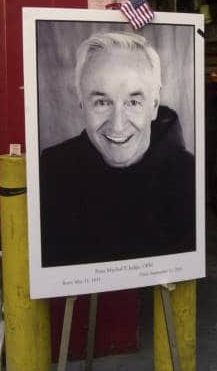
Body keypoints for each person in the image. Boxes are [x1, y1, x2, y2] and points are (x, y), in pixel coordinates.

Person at [39, 32, 195, 267]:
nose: (118, 124)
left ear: (153, 105)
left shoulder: (188, 176)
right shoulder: (53, 169)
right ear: (81, 103)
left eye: (133, 102)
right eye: (102, 102)